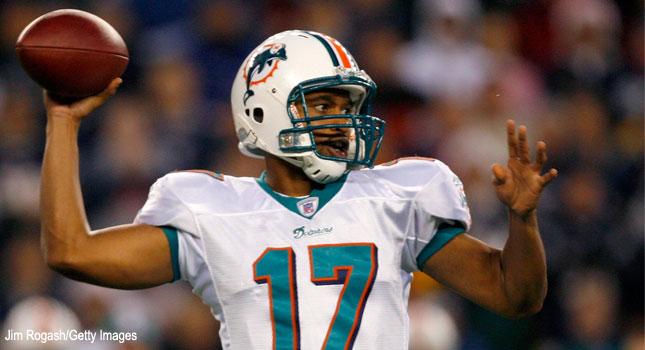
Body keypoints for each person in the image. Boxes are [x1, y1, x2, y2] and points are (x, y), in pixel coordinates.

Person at [41, 30, 557, 349]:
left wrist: (523, 221)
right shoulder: (213, 213)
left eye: (348, 108)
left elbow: (516, 295)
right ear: (262, 110)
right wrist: (62, 121)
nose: (343, 122)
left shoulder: (393, 199)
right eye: (323, 106)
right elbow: (71, 252)